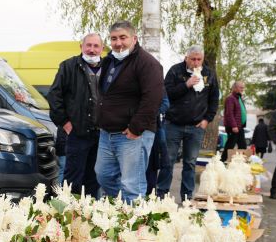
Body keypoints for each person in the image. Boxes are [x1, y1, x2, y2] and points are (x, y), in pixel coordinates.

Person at [94, 20, 164, 203]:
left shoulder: (147, 63)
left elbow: (153, 98)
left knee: (132, 185)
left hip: (132, 135)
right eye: (114, 38)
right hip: (107, 134)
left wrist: (136, 128)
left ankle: (135, 226)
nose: (118, 43)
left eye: (123, 37)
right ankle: (119, 210)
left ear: (134, 38)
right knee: (103, 176)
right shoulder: (110, 61)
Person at [158, 45, 219, 201]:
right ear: (186, 58)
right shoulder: (175, 71)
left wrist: (207, 119)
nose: (196, 62)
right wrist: (186, 84)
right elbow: (166, 93)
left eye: (199, 59)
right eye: (193, 59)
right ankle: (161, 195)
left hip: (196, 126)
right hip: (173, 124)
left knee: (190, 163)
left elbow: (213, 99)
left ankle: (186, 197)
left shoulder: (209, 74)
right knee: (168, 160)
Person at [47, 33, 103, 197]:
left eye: (95, 46)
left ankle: (90, 216)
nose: (92, 50)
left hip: (101, 135)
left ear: (102, 48)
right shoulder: (68, 66)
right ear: (81, 47)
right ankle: (69, 216)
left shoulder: (109, 68)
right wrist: (65, 123)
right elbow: (54, 96)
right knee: (72, 181)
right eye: (88, 45)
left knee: (94, 180)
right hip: (77, 134)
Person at [220, 81, 247, 162]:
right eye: (241, 87)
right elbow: (229, 113)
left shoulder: (238, 98)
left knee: (243, 145)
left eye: (243, 87)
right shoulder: (230, 98)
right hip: (233, 126)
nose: (243, 89)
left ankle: (241, 162)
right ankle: (222, 161)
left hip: (240, 126)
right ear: (235, 88)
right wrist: (234, 126)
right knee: (230, 145)